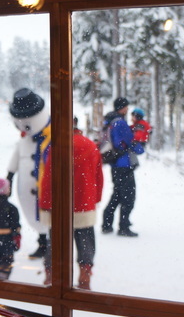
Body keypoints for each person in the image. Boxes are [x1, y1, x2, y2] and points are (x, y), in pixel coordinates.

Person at [39, 117, 104, 289]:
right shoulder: (90, 145)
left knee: (56, 241)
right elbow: (98, 176)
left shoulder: (57, 146)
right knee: (86, 241)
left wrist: (46, 203)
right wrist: (94, 198)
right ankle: (85, 276)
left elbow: (48, 177)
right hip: (84, 203)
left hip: (61, 204)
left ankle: (51, 276)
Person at [7, 88, 52, 259]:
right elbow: (15, 158)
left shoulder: (51, 137)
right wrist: (9, 177)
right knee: (34, 218)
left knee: (49, 217)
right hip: (27, 191)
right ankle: (42, 243)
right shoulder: (23, 141)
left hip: (47, 189)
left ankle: (52, 245)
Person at [101, 97, 144, 237]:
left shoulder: (110, 121)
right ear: (121, 108)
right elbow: (129, 142)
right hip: (124, 164)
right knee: (128, 196)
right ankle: (123, 226)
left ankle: (107, 224)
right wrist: (140, 146)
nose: (127, 110)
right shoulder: (120, 123)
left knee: (118, 194)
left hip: (116, 163)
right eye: (126, 107)